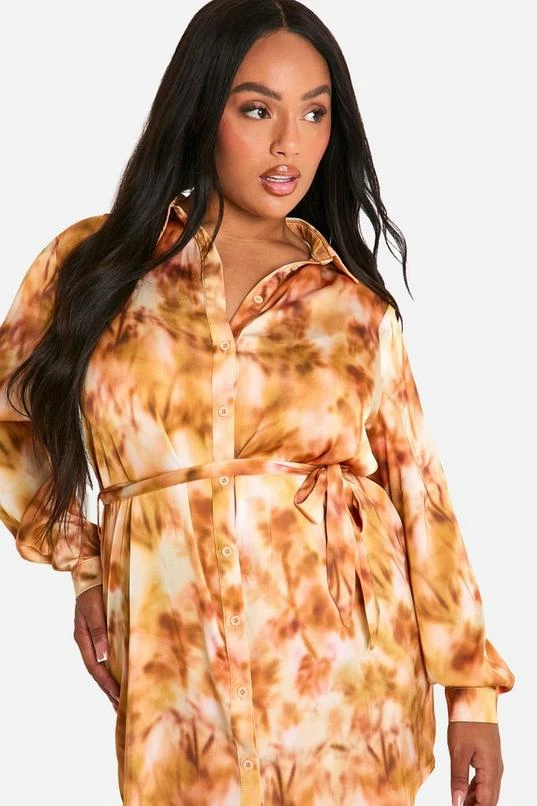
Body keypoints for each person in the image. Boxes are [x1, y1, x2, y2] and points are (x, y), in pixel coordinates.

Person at [0, 1, 514, 804]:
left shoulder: (353, 307)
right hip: (179, 688)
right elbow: (13, 418)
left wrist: (471, 696)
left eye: (313, 113)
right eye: (255, 110)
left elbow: (422, 498)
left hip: (350, 691)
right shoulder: (94, 266)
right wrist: (85, 566)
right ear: (199, 110)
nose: (289, 144)